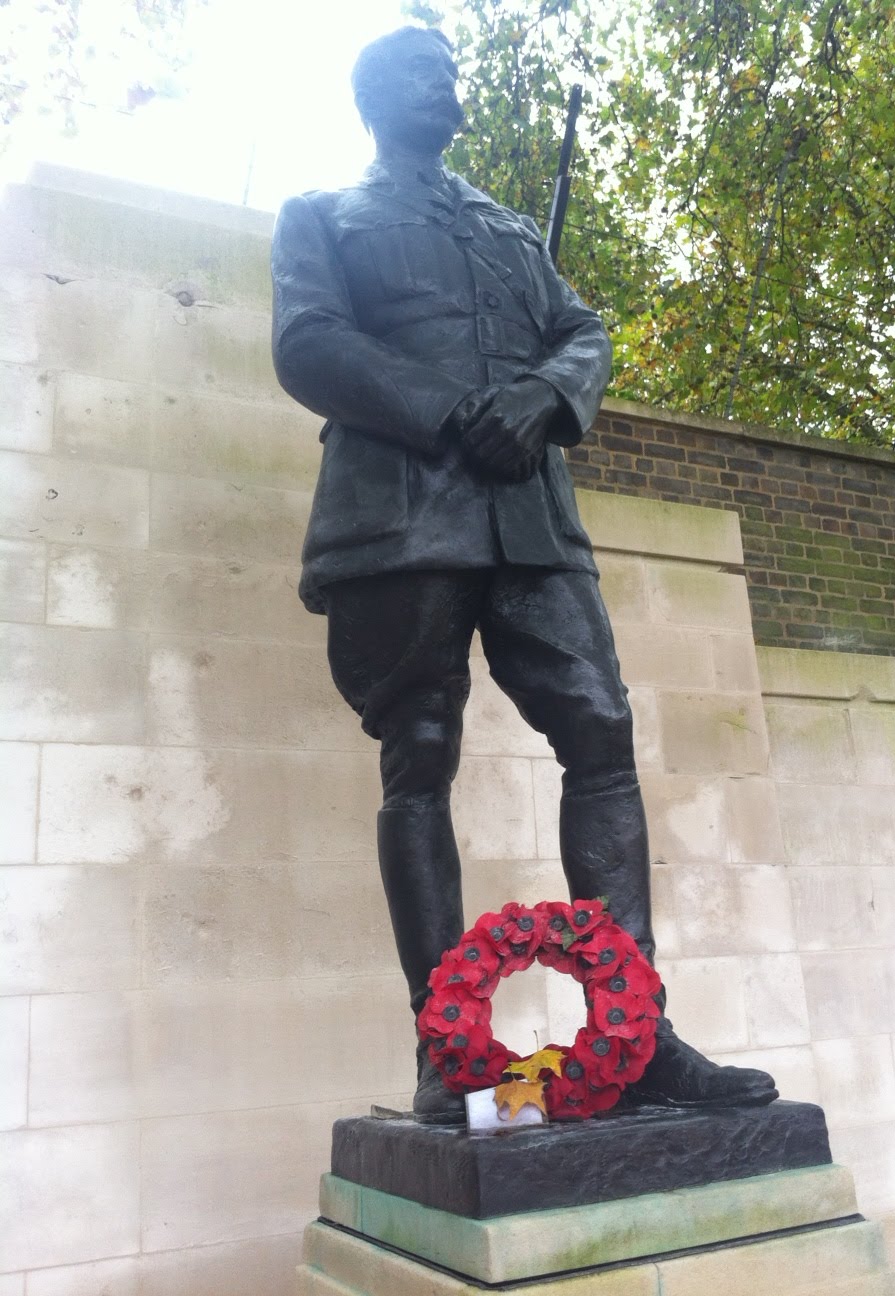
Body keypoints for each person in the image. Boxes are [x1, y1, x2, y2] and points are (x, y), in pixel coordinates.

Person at [271, 24, 777, 1121]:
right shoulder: (324, 216)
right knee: (418, 755)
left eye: (453, 72)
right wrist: (455, 411)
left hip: (531, 522)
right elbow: (307, 342)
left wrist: (548, 397)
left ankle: (636, 1034)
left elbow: (581, 330)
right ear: (372, 95)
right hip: (402, 520)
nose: (445, 86)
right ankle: (442, 1048)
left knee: (598, 730)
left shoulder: (506, 230)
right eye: (422, 71)